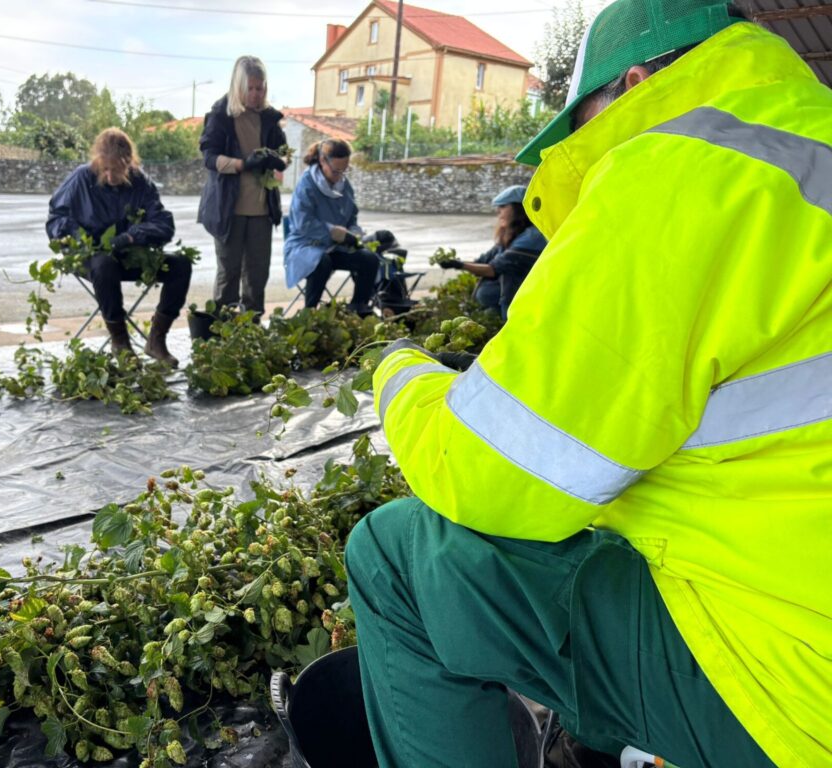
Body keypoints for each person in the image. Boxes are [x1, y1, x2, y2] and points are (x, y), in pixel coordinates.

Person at [347, 2, 831, 767]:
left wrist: (397, 371)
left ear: (632, 83)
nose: (574, 150)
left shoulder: (689, 164)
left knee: (395, 554)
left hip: (797, 689)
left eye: (580, 123)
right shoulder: (808, 139)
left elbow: (487, 470)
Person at [46, 128, 188, 366]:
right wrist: (78, 237)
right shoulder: (81, 178)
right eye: (105, 169)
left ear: (129, 163)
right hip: (91, 258)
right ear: (97, 162)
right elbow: (56, 218)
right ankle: (120, 343)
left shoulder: (140, 182)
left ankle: (156, 341)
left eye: (117, 170)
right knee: (104, 265)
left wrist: (133, 236)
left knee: (181, 265)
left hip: (129, 254)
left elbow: (164, 224)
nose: (110, 176)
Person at [197, 55, 286, 315]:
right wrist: (243, 164)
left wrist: (279, 160)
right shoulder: (221, 114)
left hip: (261, 209)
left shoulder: (270, 117)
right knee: (229, 275)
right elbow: (209, 158)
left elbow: (284, 153)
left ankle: (252, 332)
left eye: (261, 88)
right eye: (251, 88)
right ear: (238, 86)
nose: (257, 94)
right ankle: (223, 336)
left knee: (257, 276)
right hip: (228, 209)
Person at [283, 139, 382, 315]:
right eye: (336, 170)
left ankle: (358, 307)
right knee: (321, 262)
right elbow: (302, 223)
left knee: (369, 259)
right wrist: (332, 231)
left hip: (336, 248)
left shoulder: (345, 186)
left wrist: (354, 233)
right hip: (305, 246)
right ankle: (310, 313)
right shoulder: (306, 185)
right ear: (322, 161)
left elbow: (352, 217)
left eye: (344, 170)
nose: (340, 175)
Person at [440, 184, 547, 321]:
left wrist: (459, 265)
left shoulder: (532, 237)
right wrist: (456, 262)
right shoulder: (512, 236)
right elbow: (483, 261)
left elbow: (492, 269)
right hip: (503, 305)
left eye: (503, 207)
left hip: (522, 308)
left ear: (518, 209)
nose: (498, 211)